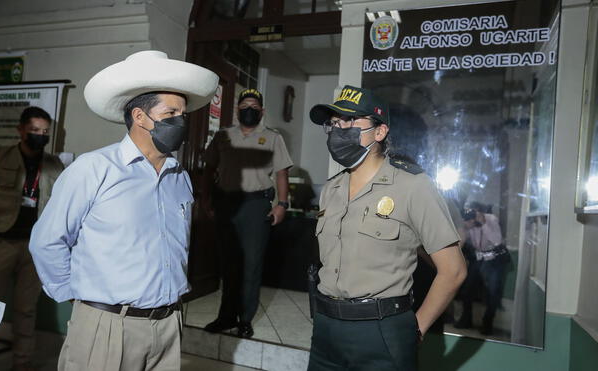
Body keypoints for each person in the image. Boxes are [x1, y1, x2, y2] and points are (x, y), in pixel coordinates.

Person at [29, 50, 218, 371]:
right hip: (108, 326)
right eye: (171, 112)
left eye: (184, 114)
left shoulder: (180, 177)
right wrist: (78, 298)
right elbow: (47, 241)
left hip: (169, 324)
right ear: (140, 117)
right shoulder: (94, 169)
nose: (181, 121)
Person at [306, 85, 467, 371]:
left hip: (381, 330)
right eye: (333, 123)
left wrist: (416, 328)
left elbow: (453, 270)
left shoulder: (412, 186)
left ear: (380, 132)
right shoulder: (331, 188)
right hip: (326, 328)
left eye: (350, 121)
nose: (338, 129)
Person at [0, 106, 63, 371]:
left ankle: (22, 364)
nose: (40, 136)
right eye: (34, 131)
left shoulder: (54, 165)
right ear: (20, 130)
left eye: (44, 132)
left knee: (26, 310)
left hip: (35, 248)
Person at [202, 88, 293, 338]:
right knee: (229, 264)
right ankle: (226, 317)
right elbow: (209, 169)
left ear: (262, 111)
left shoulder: (273, 138)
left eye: (254, 106)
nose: (249, 110)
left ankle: (245, 319)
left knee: (252, 265)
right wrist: (206, 200)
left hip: (256, 206)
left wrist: (282, 204)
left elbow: (282, 173)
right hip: (227, 205)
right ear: (237, 110)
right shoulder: (222, 136)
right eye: (244, 106)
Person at [455, 203, 509, 335]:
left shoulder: (491, 219)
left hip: (495, 257)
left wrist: (483, 223)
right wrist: (464, 227)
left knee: (493, 291)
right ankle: (466, 319)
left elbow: (497, 241)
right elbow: (461, 241)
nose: (470, 220)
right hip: (479, 257)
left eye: (473, 215)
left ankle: (487, 323)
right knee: (467, 288)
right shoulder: (467, 223)